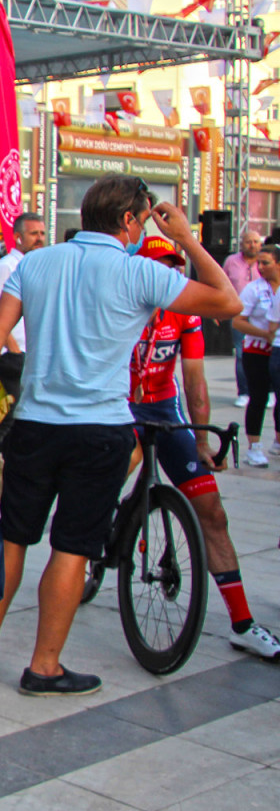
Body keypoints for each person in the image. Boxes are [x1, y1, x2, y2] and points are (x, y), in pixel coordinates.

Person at [0, 175, 239, 697]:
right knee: (72, 547)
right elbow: (228, 302)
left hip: (35, 425)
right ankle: (44, 667)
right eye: (144, 219)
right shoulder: (140, 272)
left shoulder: (37, 263)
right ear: (128, 220)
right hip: (101, 430)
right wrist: (186, 239)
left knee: (13, 536)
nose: (145, 229)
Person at [128, 236, 280, 659]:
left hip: (163, 406)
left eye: (175, 268)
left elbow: (194, 378)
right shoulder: (121, 305)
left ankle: (243, 624)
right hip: (120, 406)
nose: (171, 276)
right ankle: (102, 528)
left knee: (212, 512)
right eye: (161, 268)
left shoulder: (184, 311)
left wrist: (200, 440)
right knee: (119, 467)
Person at [0, 212, 47, 399]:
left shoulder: (36, 266)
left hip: (32, 354)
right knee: (10, 412)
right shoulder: (6, 267)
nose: (39, 239)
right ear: (18, 237)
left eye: (42, 234)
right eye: (34, 234)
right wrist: (15, 353)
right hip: (12, 357)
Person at [232, 246, 280, 466]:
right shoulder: (254, 289)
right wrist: (265, 334)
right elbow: (238, 321)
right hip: (257, 349)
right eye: (258, 263)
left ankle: (277, 441)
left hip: (277, 349)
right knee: (258, 397)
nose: (260, 267)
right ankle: (253, 447)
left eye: (266, 262)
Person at [224, 230, 265, 407]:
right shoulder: (231, 261)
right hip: (239, 313)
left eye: (256, 242)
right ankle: (244, 392)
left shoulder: (266, 261)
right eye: (249, 241)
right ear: (241, 243)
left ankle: (267, 390)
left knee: (265, 352)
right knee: (241, 354)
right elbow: (223, 285)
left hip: (263, 315)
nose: (252, 245)